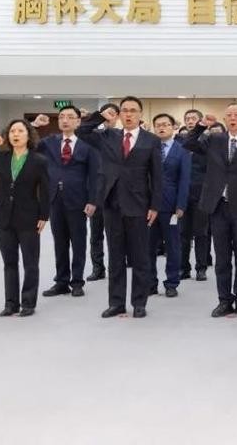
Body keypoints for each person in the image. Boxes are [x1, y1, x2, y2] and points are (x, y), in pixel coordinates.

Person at [77, 98, 162, 319]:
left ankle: (139, 302)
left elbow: (157, 176)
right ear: (119, 114)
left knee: (140, 257)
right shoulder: (108, 136)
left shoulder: (151, 140)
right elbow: (81, 131)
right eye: (124, 110)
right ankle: (116, 303)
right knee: (115, 257)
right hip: (112, 204)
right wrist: (100, 116)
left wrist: (155, 205)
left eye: (133, 111)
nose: (128, 114)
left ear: (140, 114)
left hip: (139, 205)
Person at [183, 102, 237, 319]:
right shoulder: (214, 140)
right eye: (229, 114)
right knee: (221, 258)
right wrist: (202, 125)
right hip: (217, 206)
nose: (233, 118)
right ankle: (224, 300)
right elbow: (188, 143)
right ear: (224, 118)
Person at [0, 120, 50, 317]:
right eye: (12, 131)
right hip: (3, 218)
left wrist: (44, 215)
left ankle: (28, 303)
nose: (15, 134)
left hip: (29, 218)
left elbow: (46, 190)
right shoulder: (1, 157)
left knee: (30, 263)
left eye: (20, 131)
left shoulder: (39, 160)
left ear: (28, 135)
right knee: (9, 262)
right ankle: (11, 304)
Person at [30, 107, 99, 299]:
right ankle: (61, 281)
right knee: (59, 243)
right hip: (54, 199)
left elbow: (94, 176)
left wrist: (93, 200)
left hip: (78, 200)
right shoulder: (48, 142)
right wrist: (34, 125)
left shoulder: (87, 146)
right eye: (61, 117)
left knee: (78, 242)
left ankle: (77, 282)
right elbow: (27, 145)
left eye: (70, 117)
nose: (65, 120)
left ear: (78, 121)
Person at [149, 113, 191, 298]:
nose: (161, 128)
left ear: (173, 127)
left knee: (173, 246)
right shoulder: (148, 148)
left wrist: (181, 204)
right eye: (158, 125)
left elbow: (184, 179)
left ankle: (172, 282)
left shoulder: (182, 150)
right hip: (149, 206)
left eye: (165, 124)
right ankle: (150, 282)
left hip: (172, 205)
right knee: (148, 246)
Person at [86, 102, 118, 282]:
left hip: (115, 193)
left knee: (115, 235)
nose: (109, 117)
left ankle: (117, 266)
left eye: (113, 114)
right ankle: (98, 268)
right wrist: (97, 117)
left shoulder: (120, 135)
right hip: (96, 193)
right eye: (106, 113)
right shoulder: (95, 136)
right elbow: (81, 130)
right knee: (95, 234)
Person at [179, 109, 210, 281]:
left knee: (201, 233)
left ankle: (201, 268)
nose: (190, 121)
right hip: (183, 194)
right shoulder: (179, 141)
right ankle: (183, 268)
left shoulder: (208, 141)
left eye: (193, 118)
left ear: (199, 121)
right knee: (182, 233)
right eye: (187, 118)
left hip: (201, 193)